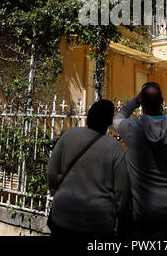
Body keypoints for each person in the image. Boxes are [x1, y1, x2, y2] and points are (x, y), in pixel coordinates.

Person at [47, 99, 128, 240]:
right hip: (98, 222)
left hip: (63, 216)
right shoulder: (114, 147)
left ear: (89, 116)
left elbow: (52, 174)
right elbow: (121, 190)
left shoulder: (69, 135)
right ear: (109, 122)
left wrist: (58, 192)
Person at [113, 82, 167, 239]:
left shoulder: (132, 127)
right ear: (162, 101)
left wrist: (134, 101)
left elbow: (118, 117)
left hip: (139, 207)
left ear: (141, 102)